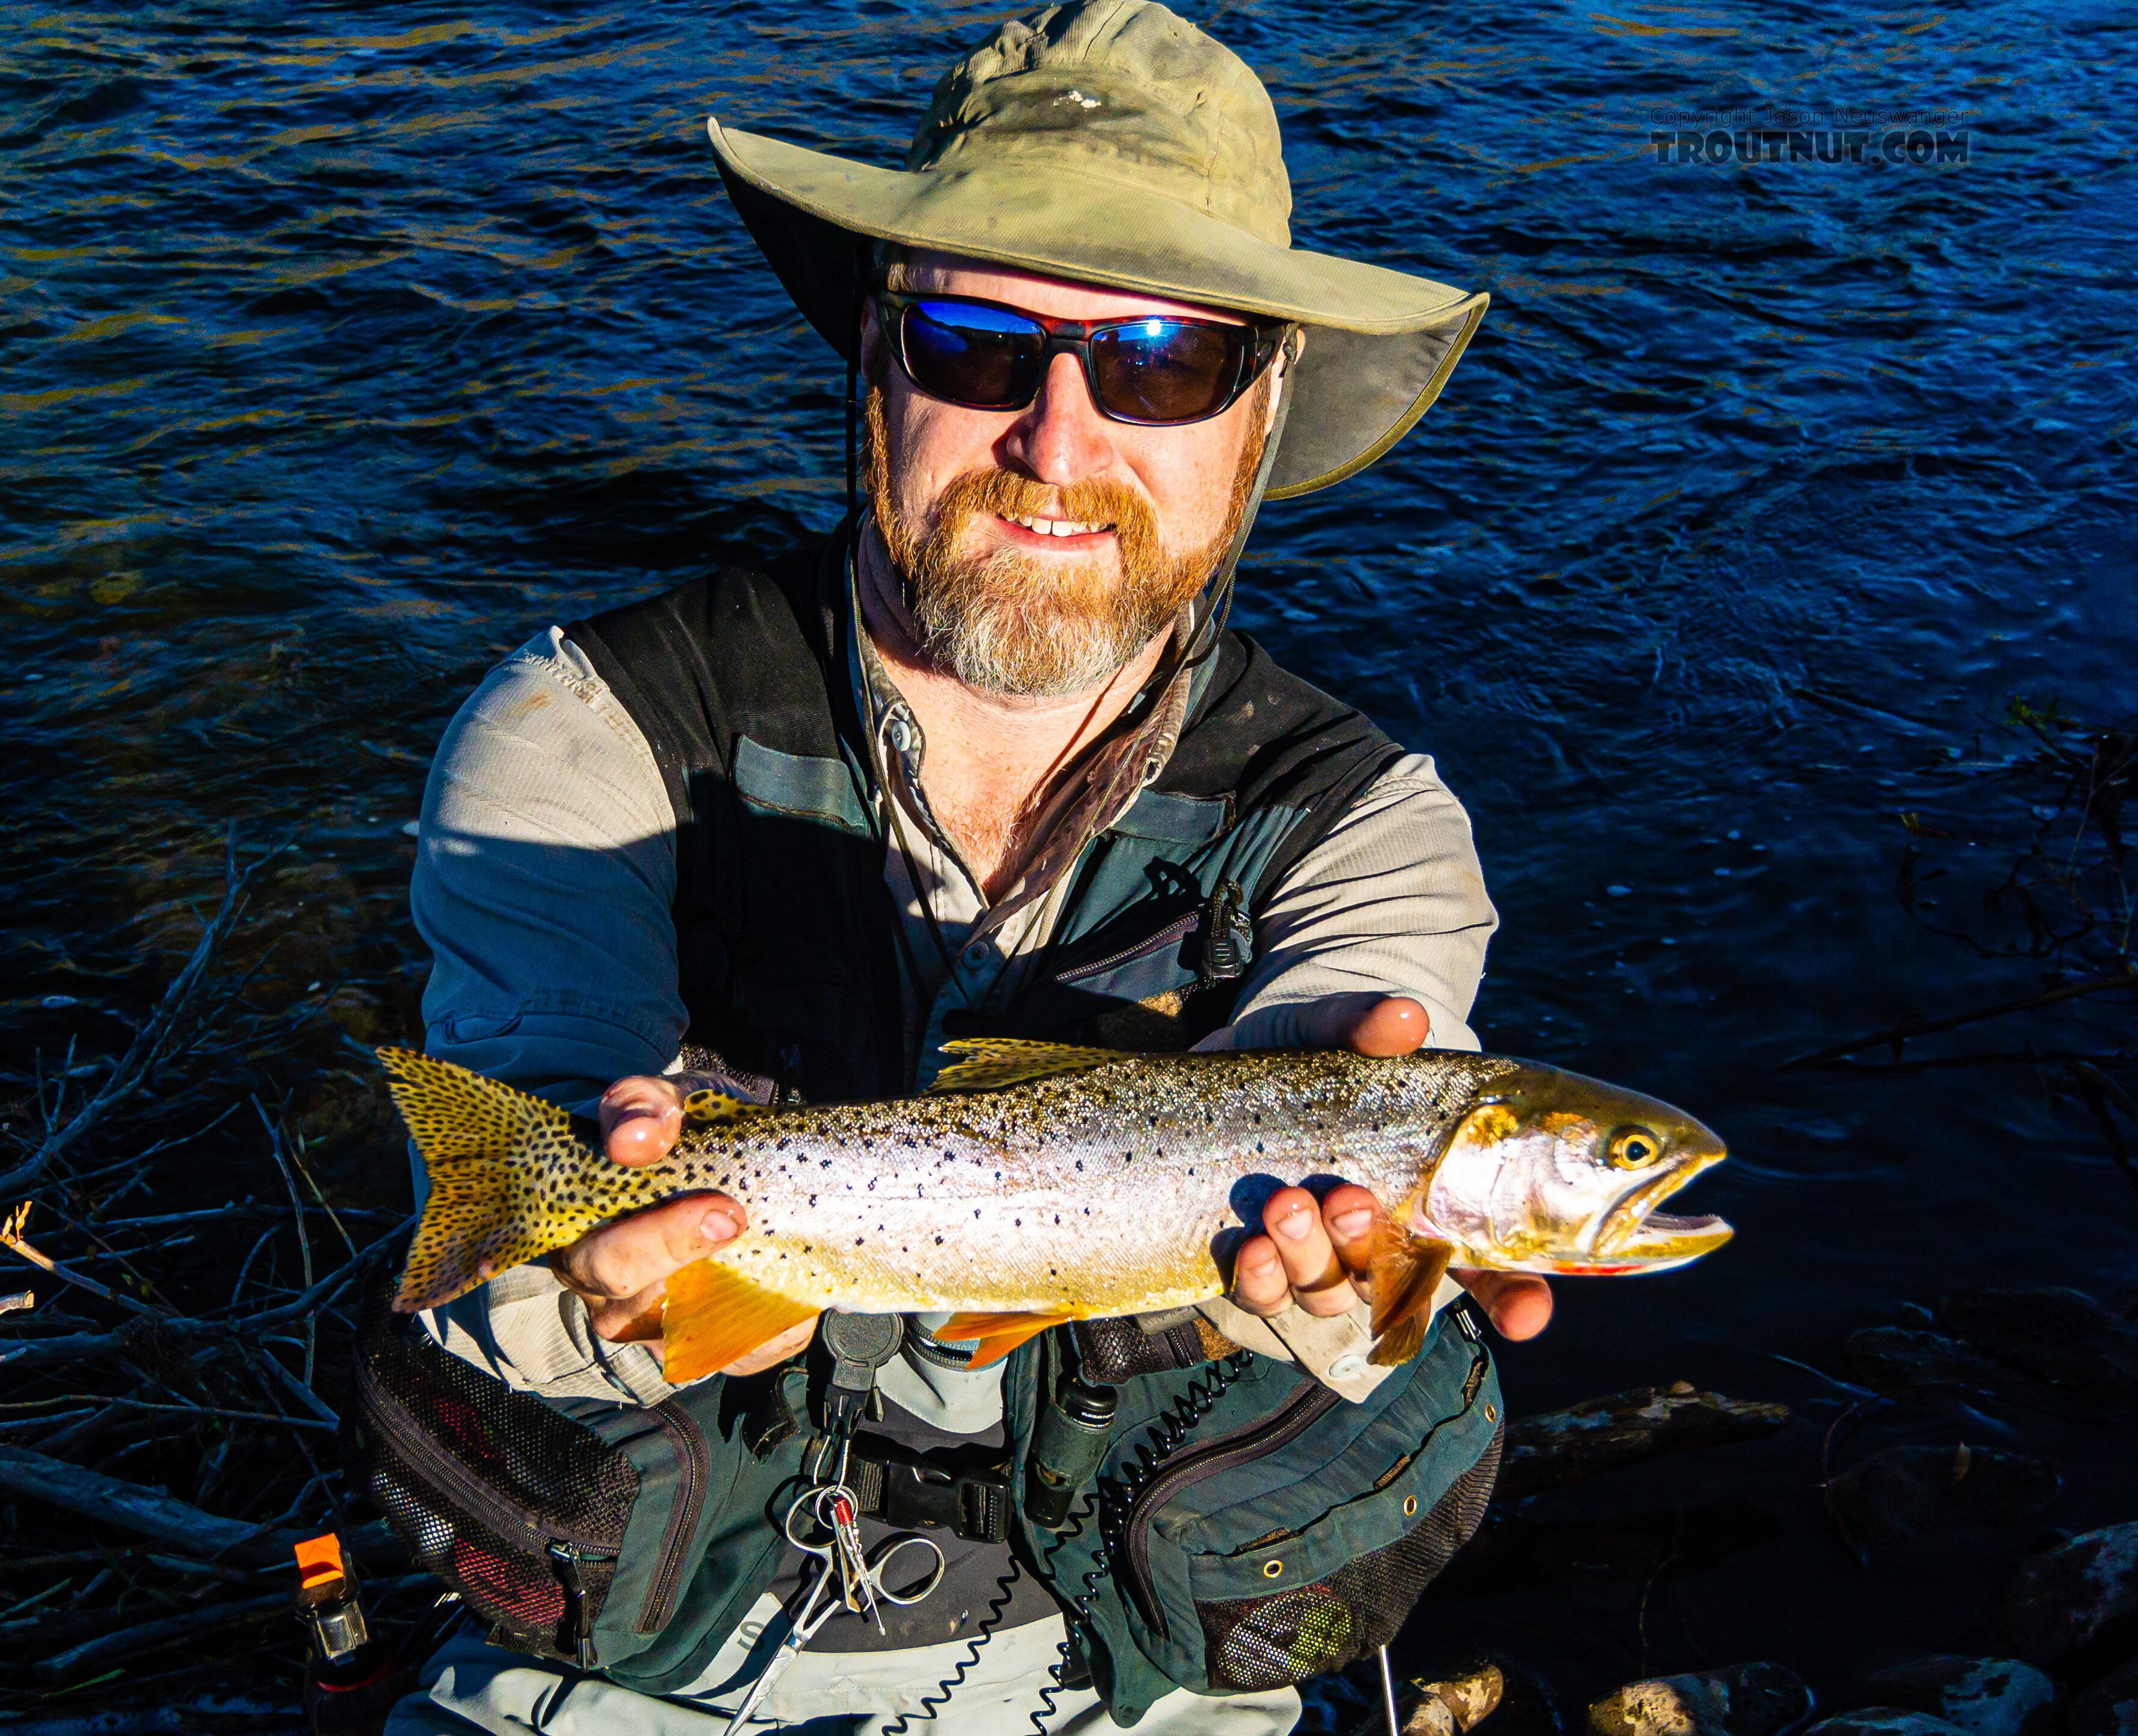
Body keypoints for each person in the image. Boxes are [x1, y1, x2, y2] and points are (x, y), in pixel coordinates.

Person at [386, 4, 1549, 1731]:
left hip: (1142, 1672)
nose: (1060, 443)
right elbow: (498, 1267)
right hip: (633, 1656)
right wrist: (593, 1287)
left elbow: (1359, 1106)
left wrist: (1344, 1288)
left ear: (1263, 406)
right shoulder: (583, 733)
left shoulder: (1369, 829)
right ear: (877, 351)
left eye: (1163, 360)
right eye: (980, 340)